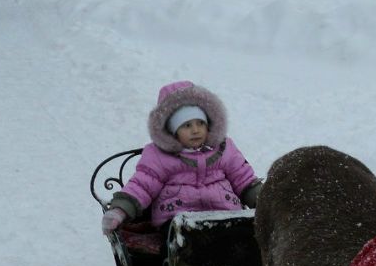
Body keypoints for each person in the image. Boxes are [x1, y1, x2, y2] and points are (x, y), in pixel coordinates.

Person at [101, 81, 262, 236]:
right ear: (173, 130)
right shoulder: (159, 155)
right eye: (186, 125)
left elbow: (244, 179)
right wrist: (119, 210)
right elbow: (142, 185)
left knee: (245, 237)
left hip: (224, 215)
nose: (195, 130)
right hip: (178, 221)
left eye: (200, 123)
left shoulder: (223, 148)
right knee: (182, 243)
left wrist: (267, 199)